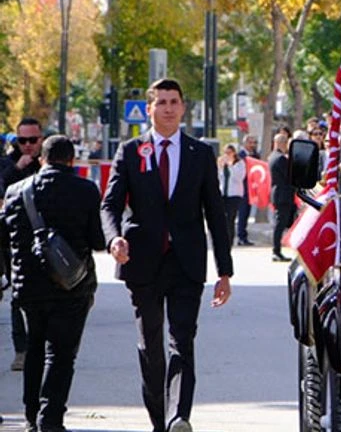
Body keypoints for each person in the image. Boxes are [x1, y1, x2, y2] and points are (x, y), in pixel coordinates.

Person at [101, 79, 233, 432]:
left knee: (182, 340)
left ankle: (180, 416)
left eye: (174, 101)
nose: (169, 108)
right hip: (141, 262)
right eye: (161, 102)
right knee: (151, 347)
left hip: (186, 262)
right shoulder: (130, 152)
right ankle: (159, 420)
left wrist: (225, 271)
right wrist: (114, 239)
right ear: (149, 109)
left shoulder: (199, 154)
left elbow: (215, 213)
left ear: (183, 108)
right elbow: (110, 204)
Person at [1, 135, 106, 432]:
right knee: (60, 354)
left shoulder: (16, 191)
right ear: (72, 161)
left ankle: (31, 417)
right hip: (71, 286)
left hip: (28, 287)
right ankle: (51, 418)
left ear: (42, 159)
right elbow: (97, 241)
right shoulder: (85, 190)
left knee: (33, 348)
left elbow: (6, 237)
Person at [3, 116, 41, 373]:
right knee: (18, 295)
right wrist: (17, 167)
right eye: (22, 140)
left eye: (32, 140)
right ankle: (21, 350)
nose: (27, 145)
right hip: (12, 239)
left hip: (44, 240)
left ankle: (41, 345)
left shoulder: (49, 161)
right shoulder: (8, 163)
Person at [268, 132, 297, 263]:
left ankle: (277, 250)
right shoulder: (280, 159)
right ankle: (276, 250)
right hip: (283, 194)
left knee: (281, 222)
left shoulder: (272, 157)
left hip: (278, 193)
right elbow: (289, 175)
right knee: (280, 223)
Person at [216, 145, 245, 249]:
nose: (227, 155)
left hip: (234, 194)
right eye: (225, 152)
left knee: (230, 218)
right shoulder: (223, 164)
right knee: (222, 219)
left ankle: (229, 242)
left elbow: (239, 178)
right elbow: (219, 178)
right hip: (223, 194)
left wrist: (230, 165)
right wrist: (220, 166)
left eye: (229, 152)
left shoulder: (239, 164)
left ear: (234, 153)